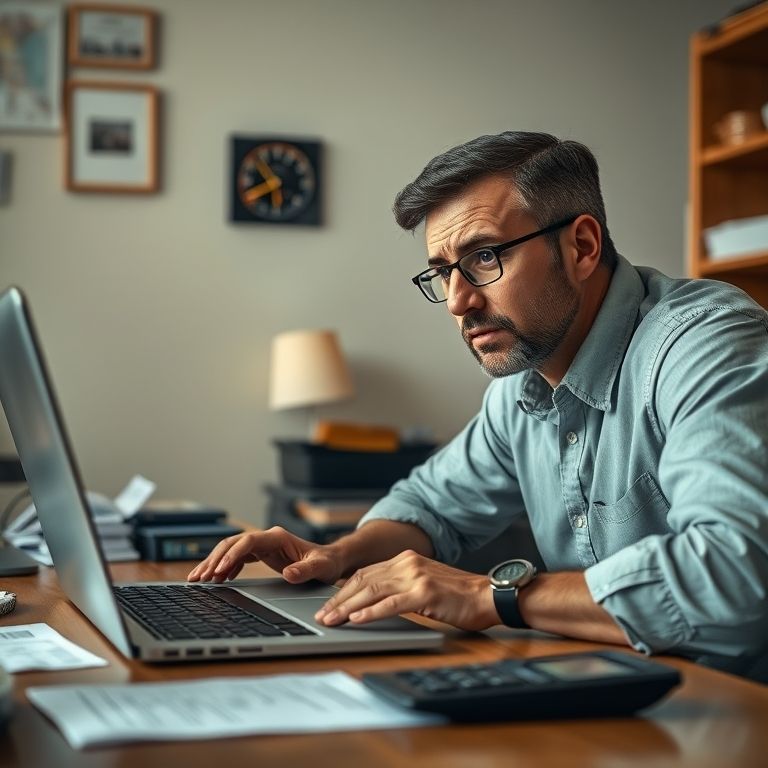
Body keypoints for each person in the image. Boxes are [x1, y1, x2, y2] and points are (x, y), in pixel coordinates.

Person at [189, 131, 768, 679]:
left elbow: (734, 575)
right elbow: (429, 508)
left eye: (485, 257)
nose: (457, 301)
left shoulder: (708, 346)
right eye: (442, 273)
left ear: (582, 247)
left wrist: (493, 595)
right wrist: (335, 557)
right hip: (615, 691)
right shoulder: (520, 388)